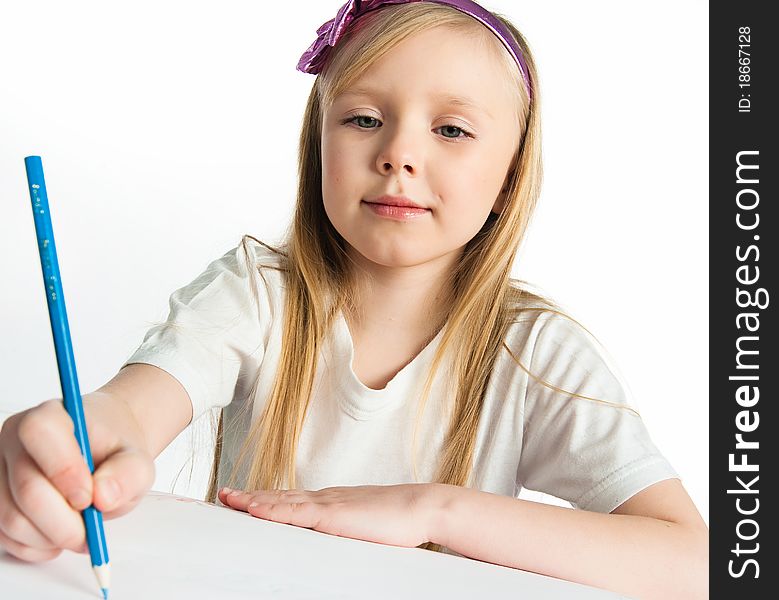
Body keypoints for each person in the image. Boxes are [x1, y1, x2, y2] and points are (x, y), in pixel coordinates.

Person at [0, 1, 707, 598]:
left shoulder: (534, 352)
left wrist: (432, 511)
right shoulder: (255, 294)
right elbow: (134, 407)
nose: (398, 153)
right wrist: (80, 441)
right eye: (363, 119)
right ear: (318, 145)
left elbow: (694, 563)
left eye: (451, 130)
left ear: (509, 176)